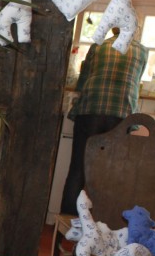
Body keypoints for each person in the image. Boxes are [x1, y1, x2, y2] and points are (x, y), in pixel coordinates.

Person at [59, 26, 148, 214]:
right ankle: (99, 224)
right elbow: (135, 84)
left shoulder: (98, 46)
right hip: (120, 115)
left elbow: (82, 83)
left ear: (113, 28)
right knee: (109, 172)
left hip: (91, 111)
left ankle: (66, 222)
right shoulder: (142, 51)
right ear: (133, 29)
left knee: (78, 168)